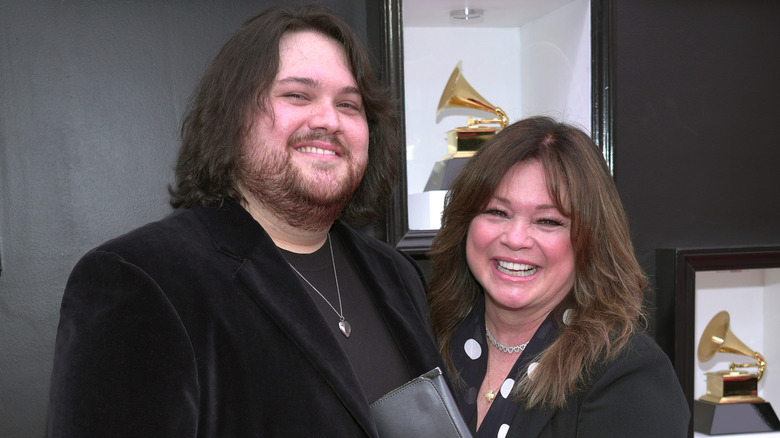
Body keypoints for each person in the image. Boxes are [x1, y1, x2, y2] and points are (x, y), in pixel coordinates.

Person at [48, 5, 443, 437]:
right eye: (296, 95)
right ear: (232, 117)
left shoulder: (398, 275)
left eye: (348, 104)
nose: (329, 120)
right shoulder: (139, 280)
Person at [427, 116, 690, 437]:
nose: (516, 238)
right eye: (497, 212)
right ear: (465, 223)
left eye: (548, 221)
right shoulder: (423, 339)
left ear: (589, 240)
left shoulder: (630, 377)